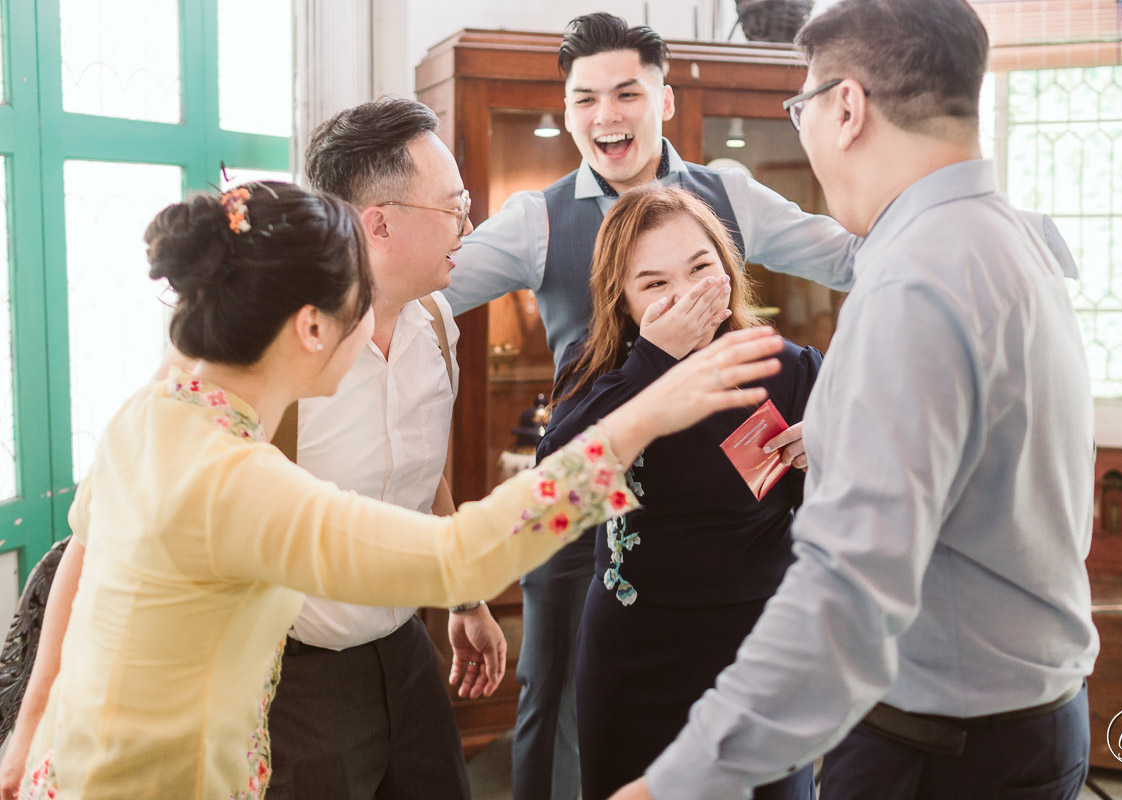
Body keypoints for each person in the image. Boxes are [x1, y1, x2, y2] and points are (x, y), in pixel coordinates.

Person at [5, 181, 786, 800]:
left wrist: (29, 727)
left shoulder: (159, 404)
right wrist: (647, 411)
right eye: (361, 302)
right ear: (313, 330)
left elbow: (81, 550)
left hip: (71, 768)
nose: (378, 319)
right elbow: (461, 559)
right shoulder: (234, 483)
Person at [608, 1, 1098, 799]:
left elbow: (846, 593)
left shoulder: (914, 280)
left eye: (799, 106)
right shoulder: (1013, 238)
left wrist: (679, 781)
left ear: (846, 107)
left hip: (942, 750)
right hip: (1033, 716)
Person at [440, 14, 859, 798]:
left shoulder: (726, 193)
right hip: (590, 488)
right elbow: (431, 289)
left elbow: (845, 257)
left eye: (628, 92)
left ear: (665, 100)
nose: (607, 115)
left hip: (731, 507)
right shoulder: (539, 216)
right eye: (585, 98)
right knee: (554, 693)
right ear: (566, 111)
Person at [536, 186, 820, 800]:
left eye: (699, 268)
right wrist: (656, 361)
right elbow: (555, 494)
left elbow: (851, 511)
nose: (686, 294)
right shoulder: (600, 375)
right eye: (655, 285)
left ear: (727, 266)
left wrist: (828, 452)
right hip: (636, 657)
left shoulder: (787, 368)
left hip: (760, 654)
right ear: (625, 303)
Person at [261, 98, 501, 800]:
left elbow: (427, 470)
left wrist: (465, 599)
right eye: (454, 206)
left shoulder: (436, 322)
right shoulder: (279, 351)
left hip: (406, 645)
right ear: (379, 222)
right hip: (300, 676)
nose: (470, 224)